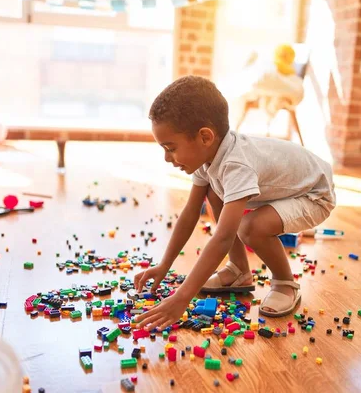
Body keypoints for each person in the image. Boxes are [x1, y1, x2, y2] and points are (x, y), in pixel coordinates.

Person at [134, 76, 335, 330]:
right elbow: (190, 213)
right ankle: (239, 270)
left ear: (205, 137)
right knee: (215, 191)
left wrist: (182, 298)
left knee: (250, 227)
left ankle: (285, 283)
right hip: (290, 188)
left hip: (314, 194)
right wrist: (164, 265)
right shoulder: (208, 156)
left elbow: (223, 237)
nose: (166, 157)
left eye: (171, 148)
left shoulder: (236, 164)